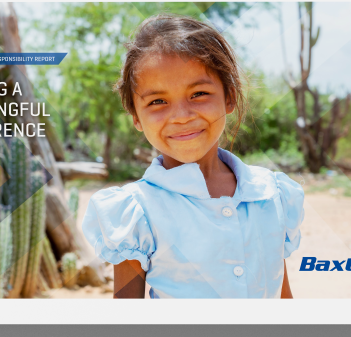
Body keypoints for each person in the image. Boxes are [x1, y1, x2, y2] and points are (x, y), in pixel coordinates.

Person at [81, 14, 304, 298]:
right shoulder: (136, 213)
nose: (181, 116)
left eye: (198, 93)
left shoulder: (271, 194)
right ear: (136, 117)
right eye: (157, 101)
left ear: (229, 97)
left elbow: (282, 296)